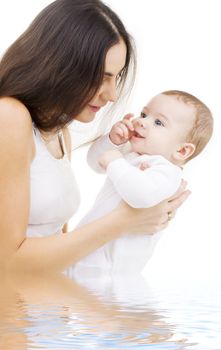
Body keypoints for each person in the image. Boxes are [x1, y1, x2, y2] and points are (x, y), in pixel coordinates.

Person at [0, 0, 189, 275]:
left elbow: (56, 243)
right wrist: (125, 220)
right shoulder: (9, 116)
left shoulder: (57, 129)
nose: (112, 95)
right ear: (58, 65)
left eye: (117, 77)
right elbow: (8, 262)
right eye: (102, 77)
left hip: (47, 305)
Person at [70, 90, 213, 275]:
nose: (141, 121)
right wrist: (112, 142)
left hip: (108, 270)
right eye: (144, 114)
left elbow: (141, 196)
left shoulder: (168, 172)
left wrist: (114, 162)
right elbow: (95, 163)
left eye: (158, 122)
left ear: (182, 151)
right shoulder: (130, 154)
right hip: (82, 254)